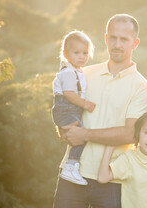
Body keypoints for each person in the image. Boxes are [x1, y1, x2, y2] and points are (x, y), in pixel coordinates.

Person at [52, 14, 147, 208]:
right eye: (113, 37)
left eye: (124, 39)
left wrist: (84, 134)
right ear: (106, 38)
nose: (117, 44)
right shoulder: (84, 74)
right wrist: (64, 128)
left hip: (112, 182)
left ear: (135, 43)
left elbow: (129, 134)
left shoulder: (141, 87)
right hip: (71, 175)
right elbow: (63, 106)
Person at [52, 30, 96, 186]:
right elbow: (69, 94)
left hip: (70, 110)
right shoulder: (68, 73)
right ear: (65, 53)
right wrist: (85, 104)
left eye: (85, 53)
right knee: (80, 135)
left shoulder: (78, 71)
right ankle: (71, 166)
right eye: (76, 52)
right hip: (66, 108)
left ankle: (65, 133)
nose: (82, 56)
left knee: (75, 132)